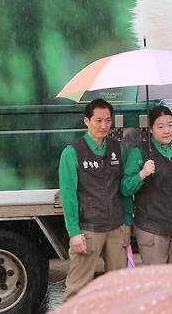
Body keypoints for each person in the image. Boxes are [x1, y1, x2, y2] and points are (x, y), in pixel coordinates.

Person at [58, 98, 133, 301]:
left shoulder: (118, 149)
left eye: (108, 120)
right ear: (86, 121)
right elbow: (69, 195)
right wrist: (74, 232)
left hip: (116, 228)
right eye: (98, 120)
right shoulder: (72, 152)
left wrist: (127, 222)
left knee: (119, 288)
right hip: (88, 230)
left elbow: (124, 190)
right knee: (77, 290)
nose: (104, 126)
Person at [121, 105, 172, 265]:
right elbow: (125, 188)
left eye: (170, 125)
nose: (166, 131)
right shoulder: (140, 152)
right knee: (157, 283)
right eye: (160, 126)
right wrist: (142, 174)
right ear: (150, 129)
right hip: (152, 230)